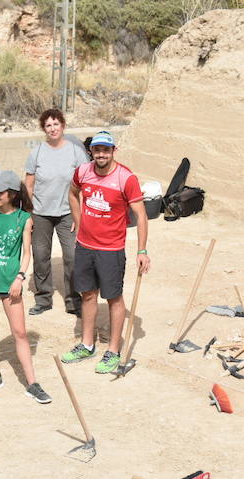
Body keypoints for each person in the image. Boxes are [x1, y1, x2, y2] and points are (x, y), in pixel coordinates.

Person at [60, 131, 151, 374]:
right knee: (88, 295)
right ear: (92, 151)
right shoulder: (83, 172)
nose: (101, 154)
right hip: (85, 246)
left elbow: (141, 215)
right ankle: (87, 344)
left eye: (106, 150)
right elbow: (72, 193)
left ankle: (113, 350)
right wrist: (79, 223)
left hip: (111, 249)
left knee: (113, 297)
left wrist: (142, 249)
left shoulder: (125, 178)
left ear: (113, 151)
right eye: (97, 150)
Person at [0, 171, 51, 404]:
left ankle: (32, 383)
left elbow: (26, 253)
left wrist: (20, 278)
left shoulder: (24, 218)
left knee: (19, 332)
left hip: (11, 283)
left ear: (12, 193)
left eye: (0, 191)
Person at [24, 108, 89, 317]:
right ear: (44, 129)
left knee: (72, 256)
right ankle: (43, 298)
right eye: (48, 125)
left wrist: (80, 215)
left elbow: (84, 186)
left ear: (63, 126)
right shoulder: (37, 152)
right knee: (41, 256)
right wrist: (27, 214)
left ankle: (73, 300)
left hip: (67, 213)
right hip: (41, 213)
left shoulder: (76, 151)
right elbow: (29, 186)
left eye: (56, 124)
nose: (52, 129)